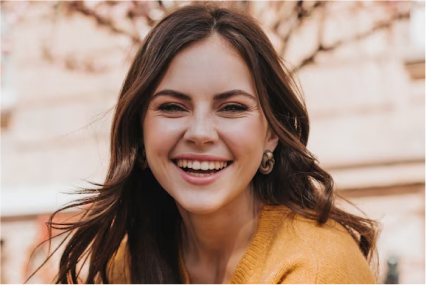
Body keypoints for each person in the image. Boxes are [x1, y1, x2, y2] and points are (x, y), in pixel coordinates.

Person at [37, 3, 379, 284]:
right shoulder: (127, 266)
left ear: (271, 133)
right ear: (139, 131)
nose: (200, 133)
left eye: (232, 108)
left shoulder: (319, 269)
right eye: (172, 107)